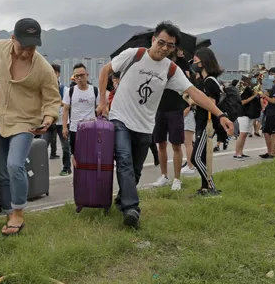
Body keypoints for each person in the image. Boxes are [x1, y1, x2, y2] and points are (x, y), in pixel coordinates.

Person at [97, 22, 234, 227]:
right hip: (120, 118)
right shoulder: (134, 55)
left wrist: (221, 114)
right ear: (153, 40)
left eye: (170, 46)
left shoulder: (171, 69)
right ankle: (132, 208)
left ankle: (122, 198)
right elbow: (105, 71)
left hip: (144, 125)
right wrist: (102, 100)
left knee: (135, 169)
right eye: (161, 42)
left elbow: (195, 93)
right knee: (124, 160)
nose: (164, 48)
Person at [0, 18, 60, 236]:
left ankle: (19, 214)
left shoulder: (43, 68)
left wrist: (49, 118)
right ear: (13, 38)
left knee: (15, 165)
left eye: (32, 46)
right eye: (24, 45)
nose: (27, 51)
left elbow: (52, 99)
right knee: (3, 171)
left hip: (25, 121)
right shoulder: (0, 48)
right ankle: (7, 210)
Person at [189, 48, 229, 196]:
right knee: (204, 157)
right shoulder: (205, 80)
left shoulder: (209, 82)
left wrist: (193, 101)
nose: (193, 63)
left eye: (195, 61)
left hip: (207, 123)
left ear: (203, 62)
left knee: (196, 157)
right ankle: (205, 187)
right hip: (202, 122)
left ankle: (211, 187)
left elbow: (210, 103)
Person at [151, 51, 188, 191]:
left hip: (175, 109)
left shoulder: (180, 67)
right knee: (160, 143)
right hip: (159, 109)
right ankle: (164, 176)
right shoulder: (156, 67)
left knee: (176, 145)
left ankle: (177, 179)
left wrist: (181, 58)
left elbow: (188, 86)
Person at [62, 63, 98, 168]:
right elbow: (65, 109)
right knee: (76, 157)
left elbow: (100, 109)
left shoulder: (95, 91)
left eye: (82, 75)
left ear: (87, 75)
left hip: (91, 129)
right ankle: (78, 179)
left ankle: (90, 178)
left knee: (91, 155)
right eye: (76, 76)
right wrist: (64, 127)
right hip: (75, 129)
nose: (79, 78)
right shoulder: (70, 91)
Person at [42, 64, 72, 176]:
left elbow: (66, 105)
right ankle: (41, 170)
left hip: (61, 122)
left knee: (65, 147)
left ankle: (66, 168)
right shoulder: (45, 88)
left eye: (54, 73)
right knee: (42, 146)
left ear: (58, 74)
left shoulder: (64, 89)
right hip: (48, 122)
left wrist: (56, 102)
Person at [258, 66, 275, 159]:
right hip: (271, 112)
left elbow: (274, 100)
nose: (270, 76)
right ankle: (269, 152)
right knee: (266, 132)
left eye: (272, 74)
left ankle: (273, 154)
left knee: (274, 132)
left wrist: (264, 96)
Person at [234, 76, 261, 160]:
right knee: (242, 134)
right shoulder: (242, 90)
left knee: (245, 134)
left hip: (250, 114)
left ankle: (241, 152)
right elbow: (242, 102)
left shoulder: (251, 89)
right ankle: (237, 153)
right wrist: (253, 96)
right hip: (243, 113)